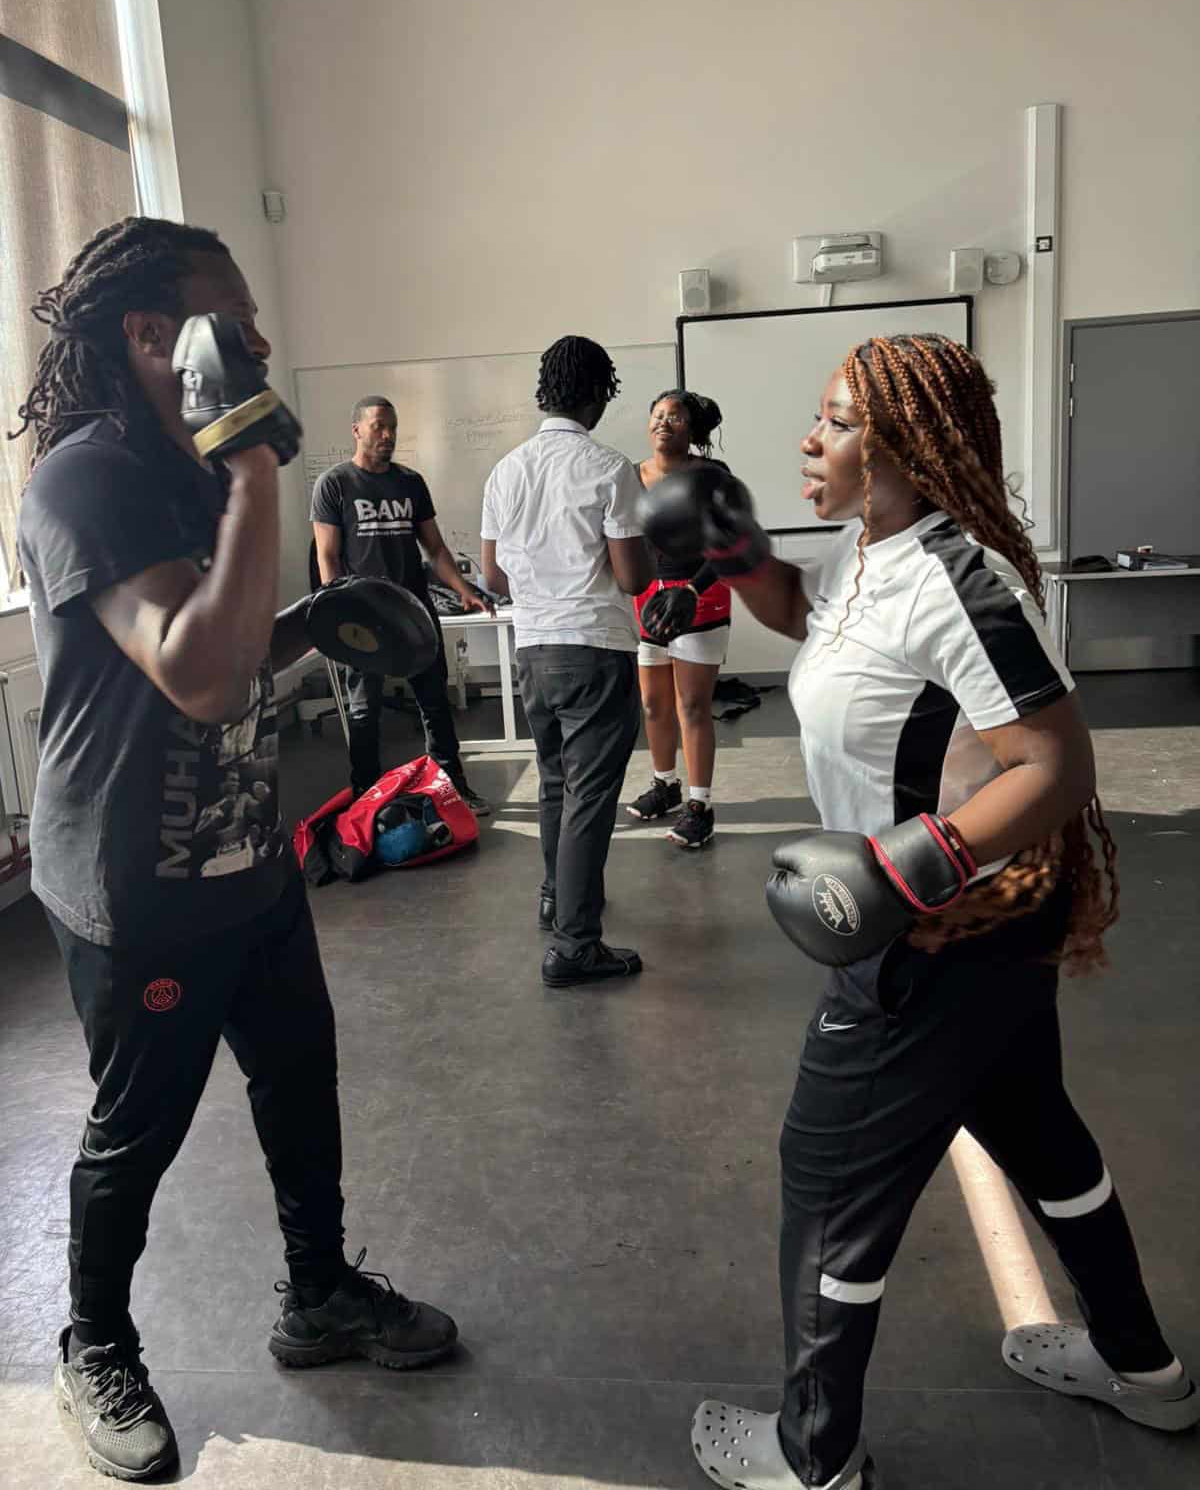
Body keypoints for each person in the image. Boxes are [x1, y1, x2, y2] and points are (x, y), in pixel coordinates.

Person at [641, 333, 1197, 1490]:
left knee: (829, 1181)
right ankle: (1145, 1370)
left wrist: (908, 869)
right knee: (1040, 1134)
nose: (811, 438)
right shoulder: (870, 552)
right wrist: (737, 551)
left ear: (906, 442)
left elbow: (1055, 764)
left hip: (931, 939)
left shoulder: (961, 578)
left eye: (838, 421)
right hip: (981, 937)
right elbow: (811, 618)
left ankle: (816, 1456)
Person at [14, 218, 458, 1484]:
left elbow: (225, 645)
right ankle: (91, 1342)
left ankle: (317, 1295)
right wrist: (257, 459)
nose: (262, 342)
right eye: (235, 322)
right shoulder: (85, 479)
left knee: (297, 1079)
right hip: (134, 885)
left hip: (249, 857)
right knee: (136, 1131)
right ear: (153, 335)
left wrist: (312, 619)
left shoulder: (190, 470)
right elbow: (199, 676)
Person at [480, 335, 653, 987]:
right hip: (594, 649)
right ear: (596, 396)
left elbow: (494, 575)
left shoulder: (506, 470)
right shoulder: (610, 469)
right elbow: (633, 578)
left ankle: (558, 897)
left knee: (555, 781)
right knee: (590, 796)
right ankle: (576, 945)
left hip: (533, 651)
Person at [311, 397, 491, 811]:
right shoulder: (335, 484)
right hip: (361, 617)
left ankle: (454, 786)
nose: (387, 435)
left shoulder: (410, 482)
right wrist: (338, 613)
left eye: (392, 427)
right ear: (356, 430)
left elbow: (436, 548)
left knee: (434, 702)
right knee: (363, 712)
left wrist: (464, 589)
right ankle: (366, 798)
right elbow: (328, 556)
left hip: (412, 613)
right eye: (378, 427)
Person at [626, 388, 731, 849]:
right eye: (658, 415)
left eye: (676, 417)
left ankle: (699, 805)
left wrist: (691, 589)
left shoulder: (711, 475)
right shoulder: (629, 476)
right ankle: (664, 784)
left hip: (701, 593)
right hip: (649, 597)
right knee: (653, 704)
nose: (664, 423)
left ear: (692, 429)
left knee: (692, 707)